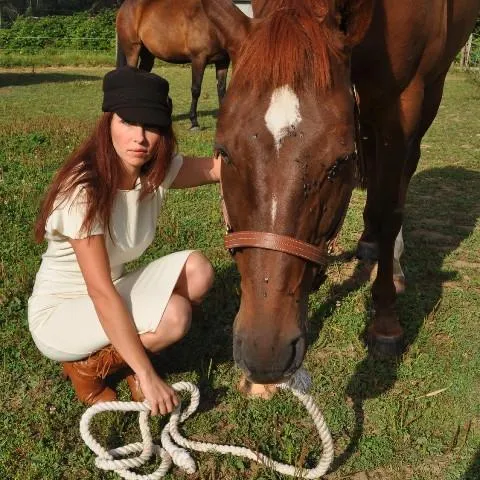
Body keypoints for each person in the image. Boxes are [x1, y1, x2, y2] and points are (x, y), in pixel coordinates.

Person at [28, 66, 221, 415]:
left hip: (110, 290)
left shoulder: (155, 173)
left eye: (151, 126)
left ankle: (126, 357)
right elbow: (100, 293)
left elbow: (221, 169)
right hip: (61, 313)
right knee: (175, 316)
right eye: (128, 122)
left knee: (198, 270)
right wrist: (148, 375)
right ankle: (89, 369)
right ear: (108, 123)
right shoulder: (82, 191)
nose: (140, 138)